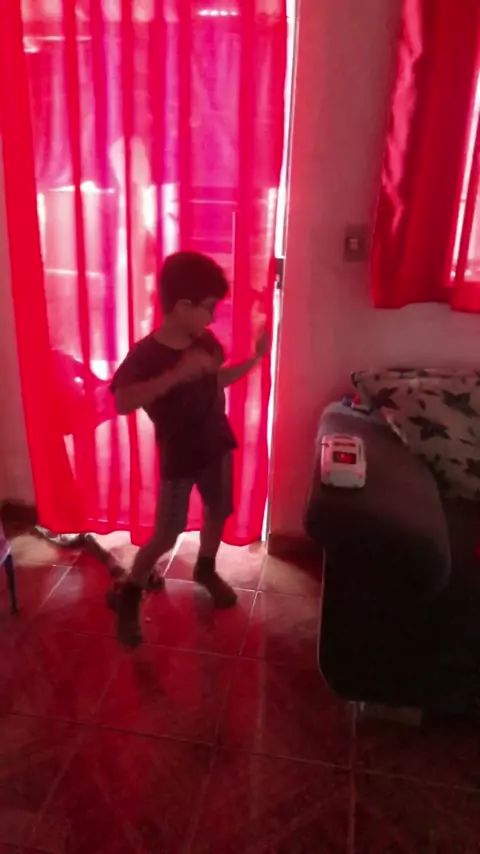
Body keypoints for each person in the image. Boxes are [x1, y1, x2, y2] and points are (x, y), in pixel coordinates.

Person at [108, 250, 270, 645]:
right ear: (183, 307)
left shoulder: (206, 342)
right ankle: (131, 591)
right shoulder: (146, 354)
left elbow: (216, 380)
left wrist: (256, 359)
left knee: (218, 511)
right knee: (166, 534)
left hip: (216, 444)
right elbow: (123, 401)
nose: (212, 319)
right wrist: (176, 374)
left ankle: (206, 568)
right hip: (179, 456)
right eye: (208, 308)